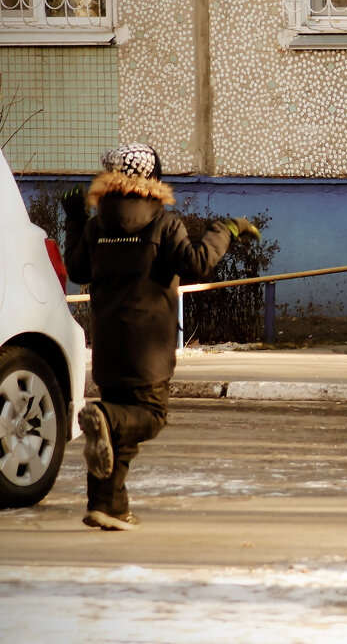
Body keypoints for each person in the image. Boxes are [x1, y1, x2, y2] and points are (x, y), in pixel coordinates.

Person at [62, 143, 260, 531]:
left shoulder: (94, 226)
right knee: (148, 417)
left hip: (108, 346)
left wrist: (73, 219)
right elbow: (199, 263)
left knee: (119, 434)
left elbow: (76, 268)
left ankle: (109, 507)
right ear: (154, 180)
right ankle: (103, 418)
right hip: (148, 347)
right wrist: (227, 229)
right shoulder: (163, 224)